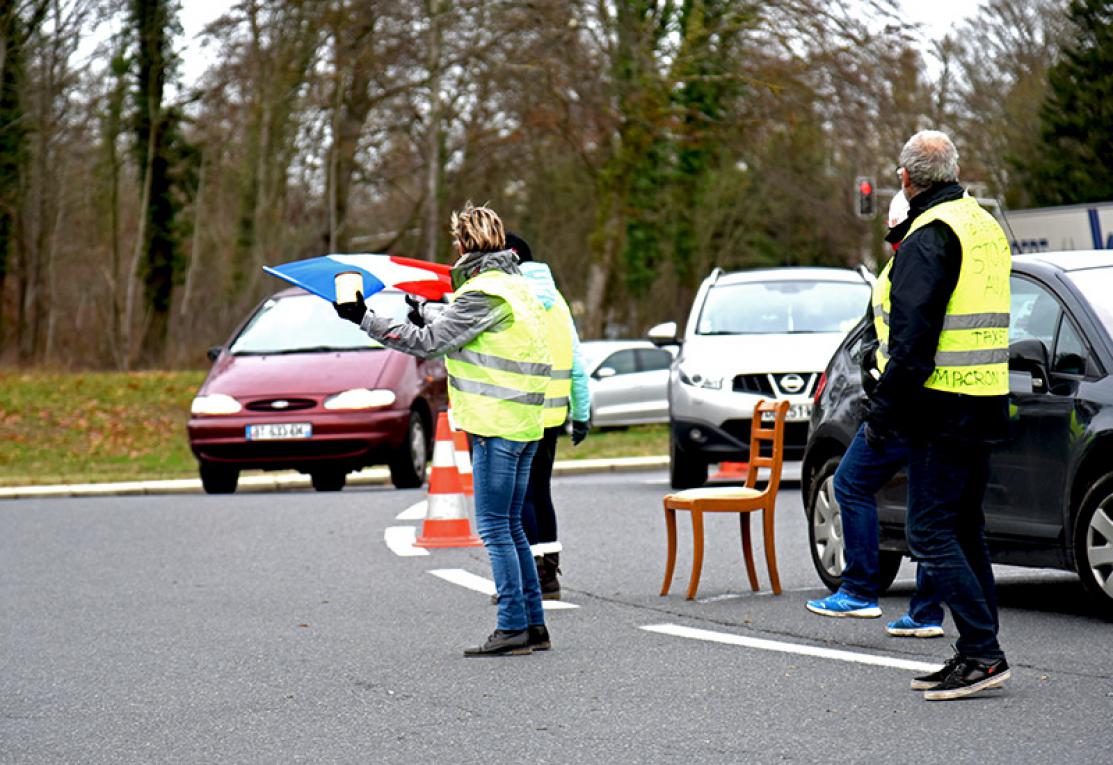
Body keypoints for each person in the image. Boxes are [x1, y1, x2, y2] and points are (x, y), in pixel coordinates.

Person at [334, 203, 552, 657]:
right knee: (512, 526)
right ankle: (533, 625)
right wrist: (427, 315)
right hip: (525, 422)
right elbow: (466, 333)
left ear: (464, 245)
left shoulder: (481, 293)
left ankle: (512, 626)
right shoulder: (515, 287)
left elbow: (432, 344)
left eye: (456, 242)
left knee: (494, 527)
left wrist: (363, 317)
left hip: (496, 424)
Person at [867, 130, 1011, 700]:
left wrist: (883, 410)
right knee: (965, 527)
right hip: (984, 398)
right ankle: (979, 649)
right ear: (953, 170)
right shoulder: (982, 224)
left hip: (941, 403)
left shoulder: (930, 236)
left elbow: (913, 339)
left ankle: (982, 651)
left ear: (905, 179)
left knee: (928, 530)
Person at [805, 190, 946, 639]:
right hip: (942, 401)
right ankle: (925, 612)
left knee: (850, 483)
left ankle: (860, 590)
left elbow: (900, 344)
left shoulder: (903, 269)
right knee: (929, 508)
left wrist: (882, 405)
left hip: (902, 403)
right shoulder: (940, 261)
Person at [505, 231, 591, 600]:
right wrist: (582, 415)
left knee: (517, 498)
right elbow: (576, 363)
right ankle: (549, 574)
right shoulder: (555, 299)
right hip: (553, 415)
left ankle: (530, 579)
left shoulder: (508, 298)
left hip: (517, 412)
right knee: (541, 493)